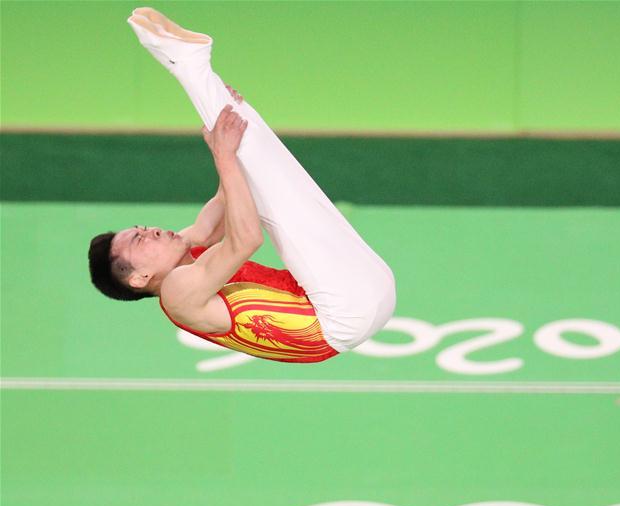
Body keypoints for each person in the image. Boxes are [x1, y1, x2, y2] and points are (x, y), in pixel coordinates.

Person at [88, 7, 396, 363]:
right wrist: (225, 155)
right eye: (140, 240)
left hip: (365, 293)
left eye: (143, 228)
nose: (153, 231)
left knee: (253, 162)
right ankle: (190, 65)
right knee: (271, 192)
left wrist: (229, 118)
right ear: (140, 278)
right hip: (339, 315)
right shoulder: (177, 292)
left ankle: (199, 75)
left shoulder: (188, 253)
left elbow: (223, 207)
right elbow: (247, 237)